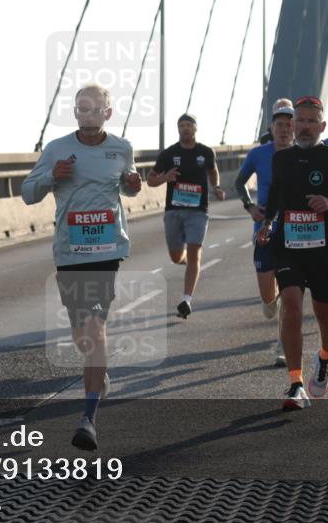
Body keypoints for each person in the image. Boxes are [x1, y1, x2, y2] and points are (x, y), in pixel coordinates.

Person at [22, 83, 142, 450]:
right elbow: (28, 193)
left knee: (95, 326)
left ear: (108, 112)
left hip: (106, 251)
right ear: (75, 112)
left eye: (95, 108)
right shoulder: (57, 149)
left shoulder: (121, 148)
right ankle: (97, 374)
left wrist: (134, 185)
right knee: (82, 334)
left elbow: (129, 187)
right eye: (81, 108)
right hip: (70, 253)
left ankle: (88, 417)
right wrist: (49, 177)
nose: (87, 113)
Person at [256, 96, 328, 410]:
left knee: (325, 317)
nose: (302, 127)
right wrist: (267, 221)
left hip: (323, 250)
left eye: (309, 121)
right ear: (292, 125)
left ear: (321, 126)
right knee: (290, 305)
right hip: (288, 246)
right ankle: (295, 384)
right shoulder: (282, 159)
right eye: (298, 121)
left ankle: (325, 358)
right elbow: (276, 194)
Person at [235, 98, 295, 366]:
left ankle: (283, 346)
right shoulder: (258, 154)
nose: (284, 129)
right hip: (264, 230)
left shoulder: (304, 155)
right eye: (279, 125)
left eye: (289, 125)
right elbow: (239, 182)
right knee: (269, 297)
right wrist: (249, 206)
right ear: (271, 128)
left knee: (290, 290)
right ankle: (270, 301)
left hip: (295, 230)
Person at [148, 113, 225, 319]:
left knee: (194, 253)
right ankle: (189, 262)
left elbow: (212, 170)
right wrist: (166, 177)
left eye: (188, 125)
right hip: (173, 210)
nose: (185, 128)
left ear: (195, 128)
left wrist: (216, 186)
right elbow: (151, 180)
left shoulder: (205, 152)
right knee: (176, 257)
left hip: (198, 211)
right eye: (181, 125)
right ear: (178, 129)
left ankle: (186, 300)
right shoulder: (169, 153)